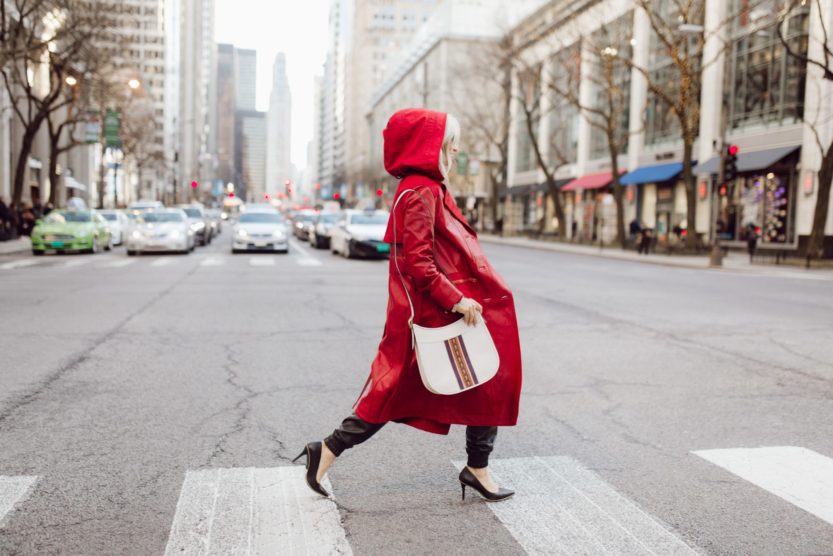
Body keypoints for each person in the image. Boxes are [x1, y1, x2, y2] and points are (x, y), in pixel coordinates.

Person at [294, 109, 523, 502]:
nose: (455, 150)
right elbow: (418, 262)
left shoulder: (426, 187)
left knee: (484, 384)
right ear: (430, 145)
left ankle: (477, 467)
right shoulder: (420, 191)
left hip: (438, 310)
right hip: (434, 313)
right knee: (395, 392)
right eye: (450, 142)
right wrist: (458, 299)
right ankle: (328, 449)